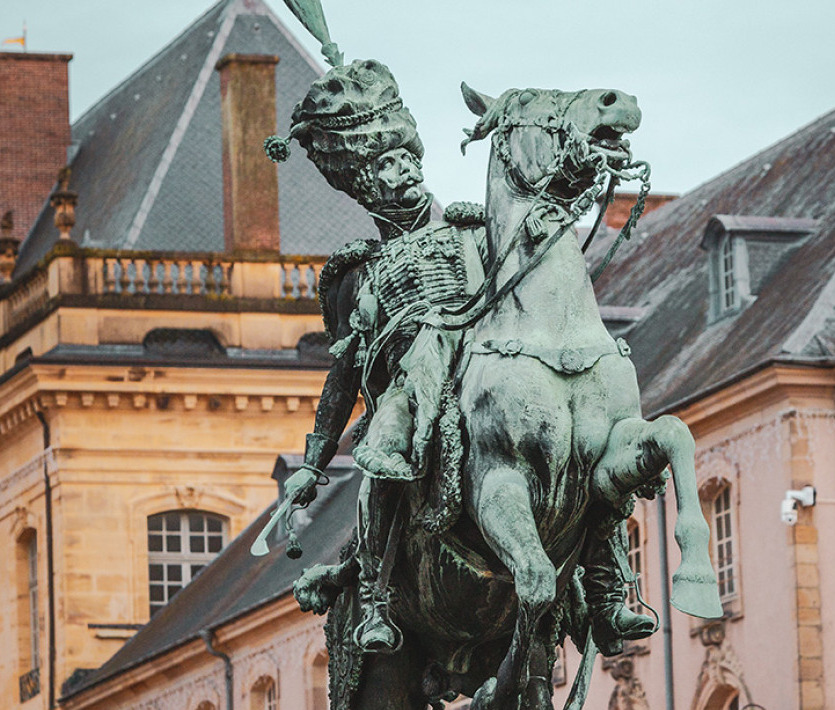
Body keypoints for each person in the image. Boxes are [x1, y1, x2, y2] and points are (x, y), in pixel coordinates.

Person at [266, 55, 654, 656]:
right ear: (364, 183)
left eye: (406, 159)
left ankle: (605, 588)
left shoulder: (473, 228)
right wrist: (313, 467)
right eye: (385, 165)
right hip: (413, 387)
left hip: (488, 360)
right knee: (383, 456)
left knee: (586, 438)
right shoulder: (354, 272)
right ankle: (375, 597)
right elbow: (343, 379)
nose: (402, 172)